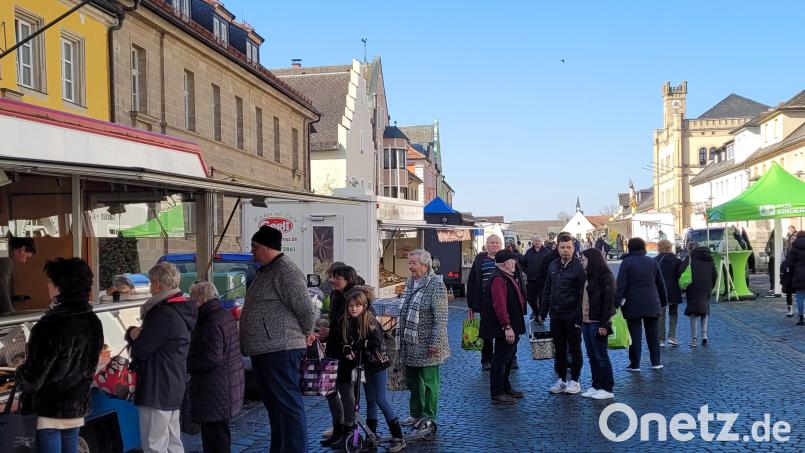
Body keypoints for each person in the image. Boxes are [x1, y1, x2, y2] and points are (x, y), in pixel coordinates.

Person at [240, 225, 318, 453]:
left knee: (287, 405)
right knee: (275, 406)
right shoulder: (267, 270)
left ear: (267, 248)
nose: (252, 251)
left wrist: (305, 334)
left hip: (280, 349)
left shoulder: (286, 271)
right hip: (267, 349)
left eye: (255, 247)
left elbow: (306, 309)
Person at [16, 258, 103, 453]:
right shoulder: (93, 321)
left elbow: (33, 378)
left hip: (49, 410)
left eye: (51, 281)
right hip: (76, 405)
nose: (47, 284)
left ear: (60, 287)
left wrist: (19, 373)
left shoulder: (49, 326)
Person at [126, 262, 197, 453]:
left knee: (154, 443)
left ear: (157, 284)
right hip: (173, 381)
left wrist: (133, 334)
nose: (149, 287)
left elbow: (141, 349)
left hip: (157, 385)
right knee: (173, 440)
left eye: (150, 283)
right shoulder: (181, 307)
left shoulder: (162, 313)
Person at [341, 286, 405, 452]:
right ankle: (371, 434)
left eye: (357, 306)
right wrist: (347, 348)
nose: (354, 308)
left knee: (380, 399)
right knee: (370, 400)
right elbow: (347, 341)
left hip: (378, 365)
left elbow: (376, 341)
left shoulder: (369, 321)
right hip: (364, 366)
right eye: (351, 306)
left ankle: (398, 436)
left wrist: (361, 345)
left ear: (364, 306)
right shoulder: (348, 322)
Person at [187, 281, 244, 453]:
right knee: (219, 433)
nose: (190, 303)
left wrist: (186, 364)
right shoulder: (222, 314)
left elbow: (212, 357)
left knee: (214, 437)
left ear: (202, 299)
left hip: (214, 389)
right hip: (223, 386)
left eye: (192, 299)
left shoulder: (210, 320)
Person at [397, 250, 450, 427]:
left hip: (429, 343)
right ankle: (415, 414)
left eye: (414, 263)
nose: (410, 266)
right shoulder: (410, 281)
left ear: (425, 265)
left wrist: (435, 342)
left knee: (429, 383)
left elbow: (441, 316)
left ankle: (429, 417)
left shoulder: (436, 285)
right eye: (409, 263)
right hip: (410, 342)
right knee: (414, 381)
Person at [538, 234, 586, 395]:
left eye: (568, 247)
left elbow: (583, 294)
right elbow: (547, 290)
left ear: (573, 248)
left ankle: (575, 380)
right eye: (562, 247)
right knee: (558, 349)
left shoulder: (579, 267)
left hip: (572, 314)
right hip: (556, 314)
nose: (565, 250)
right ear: (557, 248)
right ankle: (562, 380)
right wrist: (542, 311)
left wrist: (580, 316)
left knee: (575, 349)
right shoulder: (553, 265)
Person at [319, 265, 359, 447]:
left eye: (337, 278)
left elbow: (351, 327)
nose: (333, 280)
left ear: (348, 279)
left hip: (346, 352)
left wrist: (330, 332)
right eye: (332, 277)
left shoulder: (353, 298)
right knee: (330, 390)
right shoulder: (335, 296)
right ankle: (337, 427)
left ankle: (348, 430)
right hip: (332, 349)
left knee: (345, 389)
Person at [480, 249, 526, 404]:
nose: (515, 264)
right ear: (507, 263)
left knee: (508, 357)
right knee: (501, 358)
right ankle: (497, 392)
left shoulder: (506, 276)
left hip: (512, 324)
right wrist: (507, 326)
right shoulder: (498, 279)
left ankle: (506, 387)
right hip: (505, 327)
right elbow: (499, 305)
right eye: (513, 261)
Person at [615, 237, 667, 371]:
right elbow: (660, 284)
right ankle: (656, 362)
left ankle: (635, 364)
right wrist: (663, 301)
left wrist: (616, 302)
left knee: (634, 335)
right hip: (652, 302)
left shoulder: (626, 263)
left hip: (633, 304)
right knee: (653, 334)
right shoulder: (653, 262)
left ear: (630, 248)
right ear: (643, 247)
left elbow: (621, 285)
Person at [579, 248, 616, 400]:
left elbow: (608, 303)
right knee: (592, 356)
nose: (581, 261)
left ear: (592, 260)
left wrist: (603, 324)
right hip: (586, 322)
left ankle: (607, 388)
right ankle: (596, 385)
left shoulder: (606, 277)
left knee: (601, 355)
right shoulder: (587, 276)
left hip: (597, 322)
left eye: (583, 259)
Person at [467, 234, 502, 370]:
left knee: (504, 332)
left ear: (500, 245)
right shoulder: (480, 260)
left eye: (496, 243)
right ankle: (486, 360)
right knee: (486, 333)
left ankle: (504, 359)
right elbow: (472, 281)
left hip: (503, 302)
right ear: (487, 245)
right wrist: (471, 304)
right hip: (485, 303)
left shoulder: (505, 259)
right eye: (491, 243)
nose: (494, 245)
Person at [682, 242, 717, 345]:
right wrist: (711, 285)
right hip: (706, 286)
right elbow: (715, 274)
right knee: (704, 310)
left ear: (690, 249)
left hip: (692, 286)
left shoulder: (689, 259)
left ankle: (694, 339)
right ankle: (704, 335)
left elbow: (680, 271)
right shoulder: (709, 258)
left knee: (693, 311)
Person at [655, 239, 683, 347]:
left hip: (660, 290)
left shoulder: (656, 260)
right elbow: (680, 274)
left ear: (659, 247)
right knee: (674, 313)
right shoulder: (676, 260)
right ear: (670, 247)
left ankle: (661, 339)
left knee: (661, 314)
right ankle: (672, 336)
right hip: (674, 289)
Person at [0, 237, 36, 314]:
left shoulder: (3, 246)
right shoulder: (5, 256)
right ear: (22, 249)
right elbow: (1, 287)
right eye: (26, 257)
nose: (24, 261)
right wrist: (11, 314)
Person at [522, 234, 550, 319]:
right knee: (530, 298)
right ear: (533, 242)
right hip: (531, 279)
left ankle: (541, 315)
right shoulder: (528, 252)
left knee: (542, 298)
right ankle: (536, 312)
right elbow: (523, 263)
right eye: (535, 241)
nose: (537, 242)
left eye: (539, 241)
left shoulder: (547, 252)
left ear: (542, 242)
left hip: (542, 279)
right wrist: (526, 271)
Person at [787, 230, 805, 326]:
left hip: (798, 274)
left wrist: (794, 268)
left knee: (800, 296)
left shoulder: (794, 247)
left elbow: (789, 262)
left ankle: (801, 317)